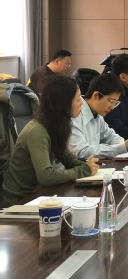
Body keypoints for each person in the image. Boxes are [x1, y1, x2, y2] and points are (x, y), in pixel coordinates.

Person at [0, 76, 98, 208]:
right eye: (77, 99)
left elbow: (68, 159)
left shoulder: (54, 125)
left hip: (37, 195)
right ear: (63, 103)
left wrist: (88, 165)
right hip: (18, 202)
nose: (82, 103)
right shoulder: (37, 131)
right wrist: (83, 170)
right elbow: (46, 176)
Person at [70, 73, 128, 159]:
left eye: (115, 103)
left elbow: (111, 136)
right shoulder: (74, 114)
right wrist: (118, 148)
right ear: (96, 95)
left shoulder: (98, 115)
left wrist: (120, 145)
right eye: (111, 101)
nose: (112, 107)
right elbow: (82, 152)